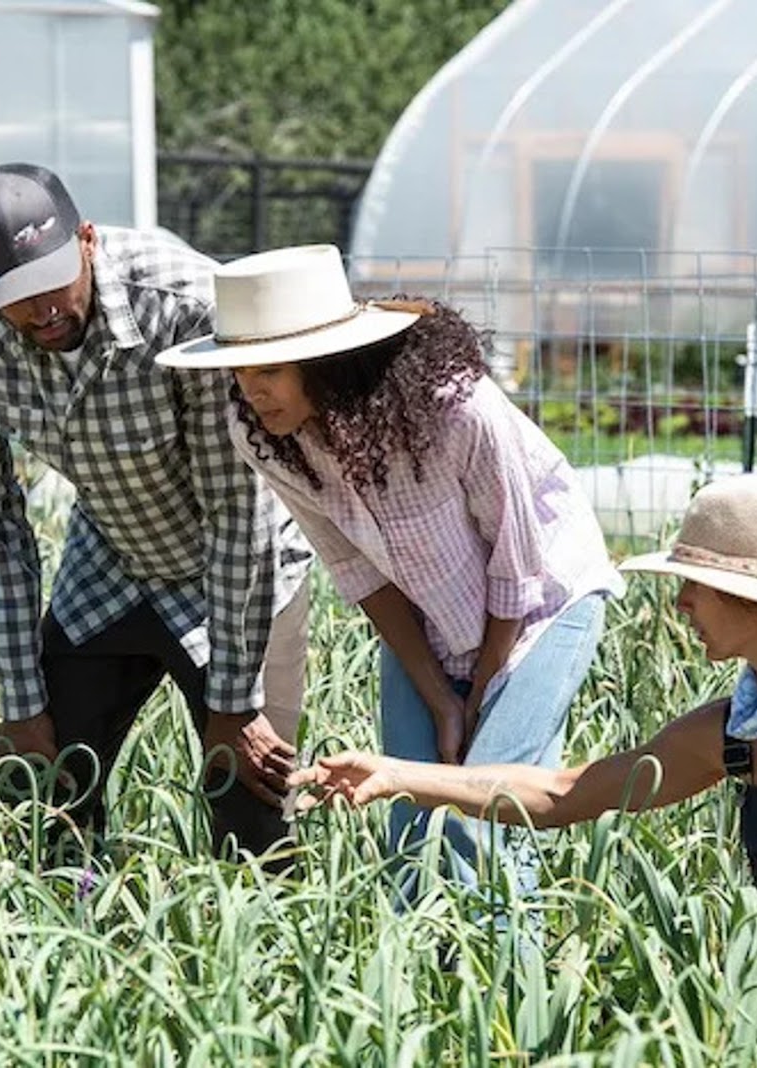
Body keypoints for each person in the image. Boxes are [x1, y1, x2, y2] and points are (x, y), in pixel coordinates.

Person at [290, 475, 757, 977]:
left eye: (696, 585)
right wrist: (396, 776)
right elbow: (567, 793)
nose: (680, 603)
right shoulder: (742, 728)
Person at [154, 244, 624, 908]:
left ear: (326, 363)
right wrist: (438, 696)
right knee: (407, 815)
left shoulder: (456, 408)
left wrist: (485, 683)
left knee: (484, 818)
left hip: (543, 607)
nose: (250, 392)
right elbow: (357, 572)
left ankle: (513, 995)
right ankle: (412, 994)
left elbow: (519, 562)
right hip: (426, 617)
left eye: (269, 370)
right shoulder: (264, 434)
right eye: (238, 373)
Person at [0, 163, 314, 860]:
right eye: (14, 298)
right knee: (43, 786)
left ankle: (261, 950)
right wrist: (21, 700)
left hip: (240, 569)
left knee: (251, 802)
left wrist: (231, 703)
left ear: (89, 242)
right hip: (113, 557)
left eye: (52, 283)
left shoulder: (184, 304)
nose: (41, 311)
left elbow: (234, 505)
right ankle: (61, 942)